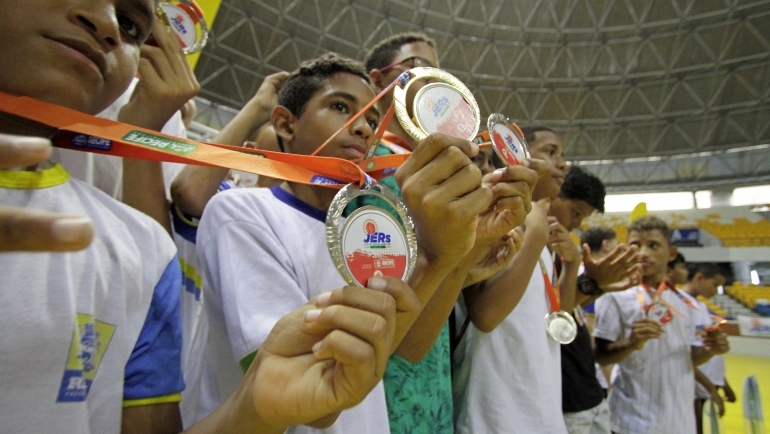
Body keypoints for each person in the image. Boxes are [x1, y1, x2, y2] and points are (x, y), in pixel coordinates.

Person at [0, 2, 418, 432]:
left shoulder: (142, 250)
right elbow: (189, 193)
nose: (106, 23)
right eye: (341, 109)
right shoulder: (239, 214)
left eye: (129, 25)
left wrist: (250, 411)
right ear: (283, 127)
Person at [362, 33, 542, 433]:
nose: (430, 83)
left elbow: (438, 283)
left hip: (430, 363)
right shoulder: (357, 165)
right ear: (378, 82)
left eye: (437, 74)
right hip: (371, 377)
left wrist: (472, 254)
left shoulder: (456, 174)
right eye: (414, 68)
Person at [455, 126, 575, 434]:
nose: (562, 164)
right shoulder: (495, 217)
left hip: (540, 407)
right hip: (495, 412)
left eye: (562, 155)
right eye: (550, 152)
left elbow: (557, 315)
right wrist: (534, 232)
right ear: (515, 154)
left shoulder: (540, 228)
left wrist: (572, 266)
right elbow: (485, 314)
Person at [594, 216, 730, 434]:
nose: (643, 253)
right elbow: (600, 355)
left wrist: (710, 350)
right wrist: (631, 344)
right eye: (635, 245)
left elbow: (689, 357)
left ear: (671, 253)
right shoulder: (614, 296)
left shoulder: (687, 304)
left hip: (679, 422)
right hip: (629, 422)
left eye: (653, 245)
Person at [678, 262, 736, 434]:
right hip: (692, 387)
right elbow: (685, 355)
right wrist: (711, 388)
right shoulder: (680, 305)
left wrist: (723, 383)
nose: (716, 291)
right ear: (699, 278)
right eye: (715, 285)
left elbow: (707, 350)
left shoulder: (701, 308)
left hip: (705, 386)